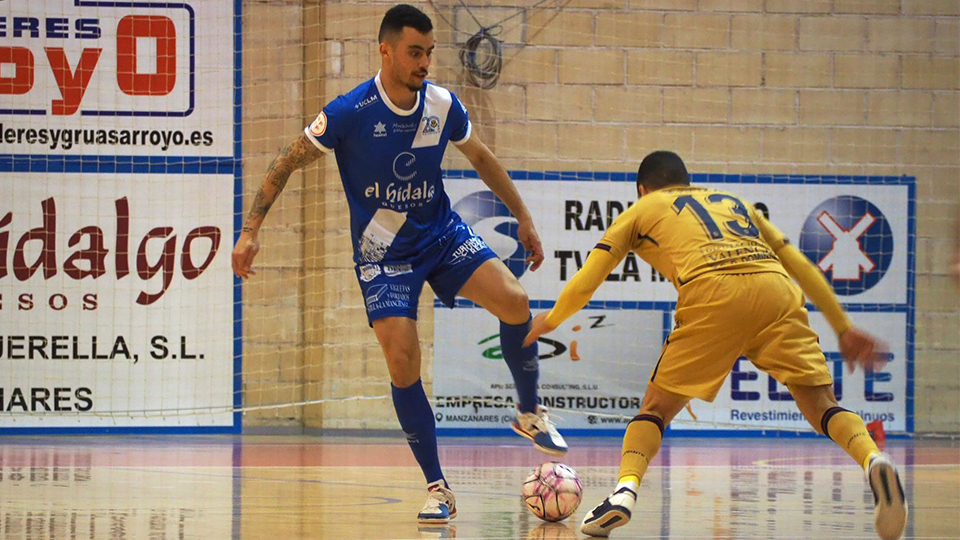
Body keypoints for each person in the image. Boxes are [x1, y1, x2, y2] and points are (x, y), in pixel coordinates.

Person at [232, 4, 566, 525]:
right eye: (415, 52)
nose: (425, 63)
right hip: (382, 253)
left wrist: (523, 217)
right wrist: (250, 231)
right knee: (402, 360)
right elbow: (286, 161)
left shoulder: (441, 104)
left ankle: (528, 412)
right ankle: (438, 487)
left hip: (440, 234)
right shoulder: (349, 112)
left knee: (515, 301)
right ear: (385, 51)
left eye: (429, 52)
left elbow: (480, 157)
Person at [524, 151, 907, 540]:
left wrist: (551, 319)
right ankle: (872, 458)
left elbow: (589, 278)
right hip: (776, 291)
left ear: (642, 189)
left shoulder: (641, 210)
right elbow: (799, 264)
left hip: (713, 292)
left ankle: (624, 492)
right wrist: (842, 327)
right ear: (686, 181)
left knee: (655, 410)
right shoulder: (735, 202)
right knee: (822, 404)